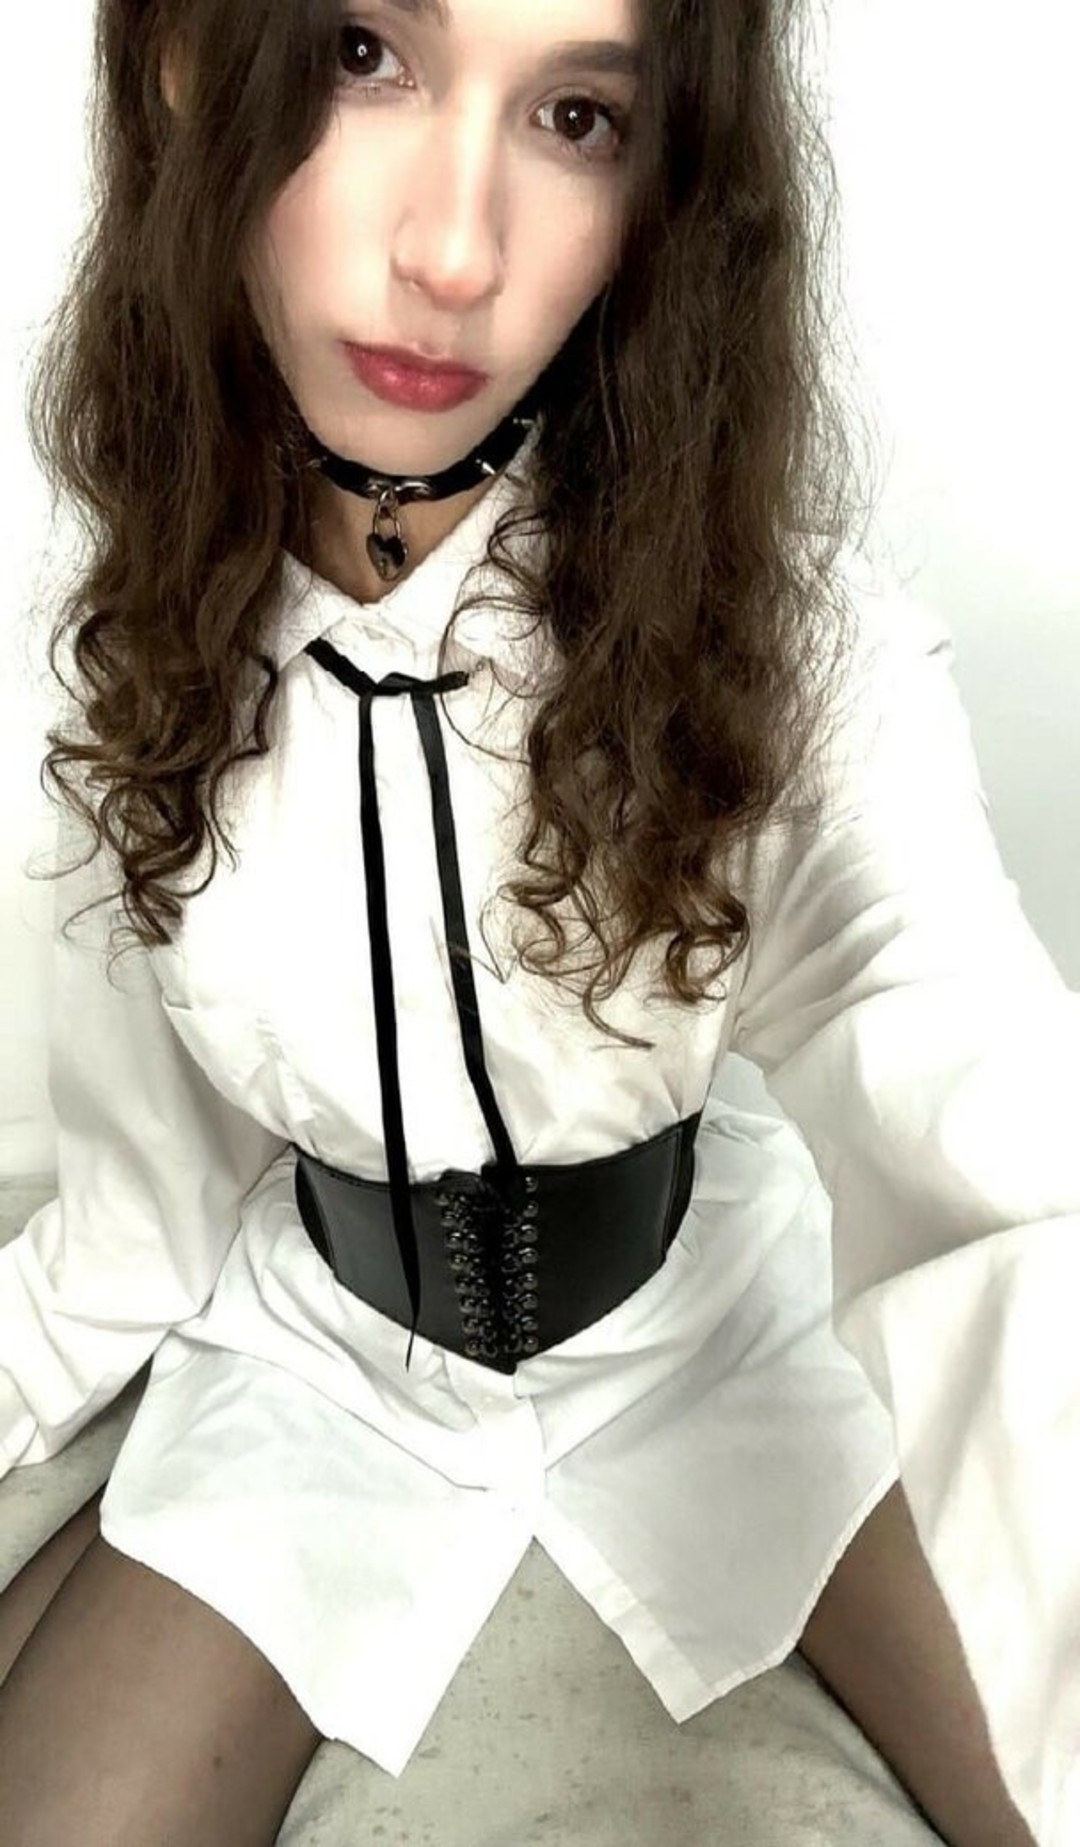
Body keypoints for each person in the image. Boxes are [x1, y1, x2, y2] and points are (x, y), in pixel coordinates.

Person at [0, 1, 1073, 1843]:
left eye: (578, 116)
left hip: (723, 1343)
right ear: (186, 57)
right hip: (325, 1375)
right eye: (363, 54)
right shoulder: (103, 682)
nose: (452, 252)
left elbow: (996, 1160)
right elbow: (136, 1194)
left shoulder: (797, 656)